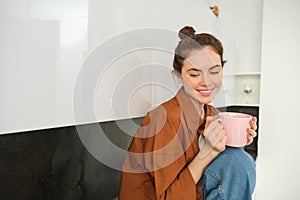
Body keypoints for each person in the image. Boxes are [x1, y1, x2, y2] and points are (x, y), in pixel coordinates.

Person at [118, 26, 257, 200]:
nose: (206, 82)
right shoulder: (164, 119)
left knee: (240, 159)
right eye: (194, 74)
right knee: (239, 163)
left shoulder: (211, 113)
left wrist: (238, 140)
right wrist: (208, 152)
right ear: (178, 76)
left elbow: (224, 169)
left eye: (214, 71)